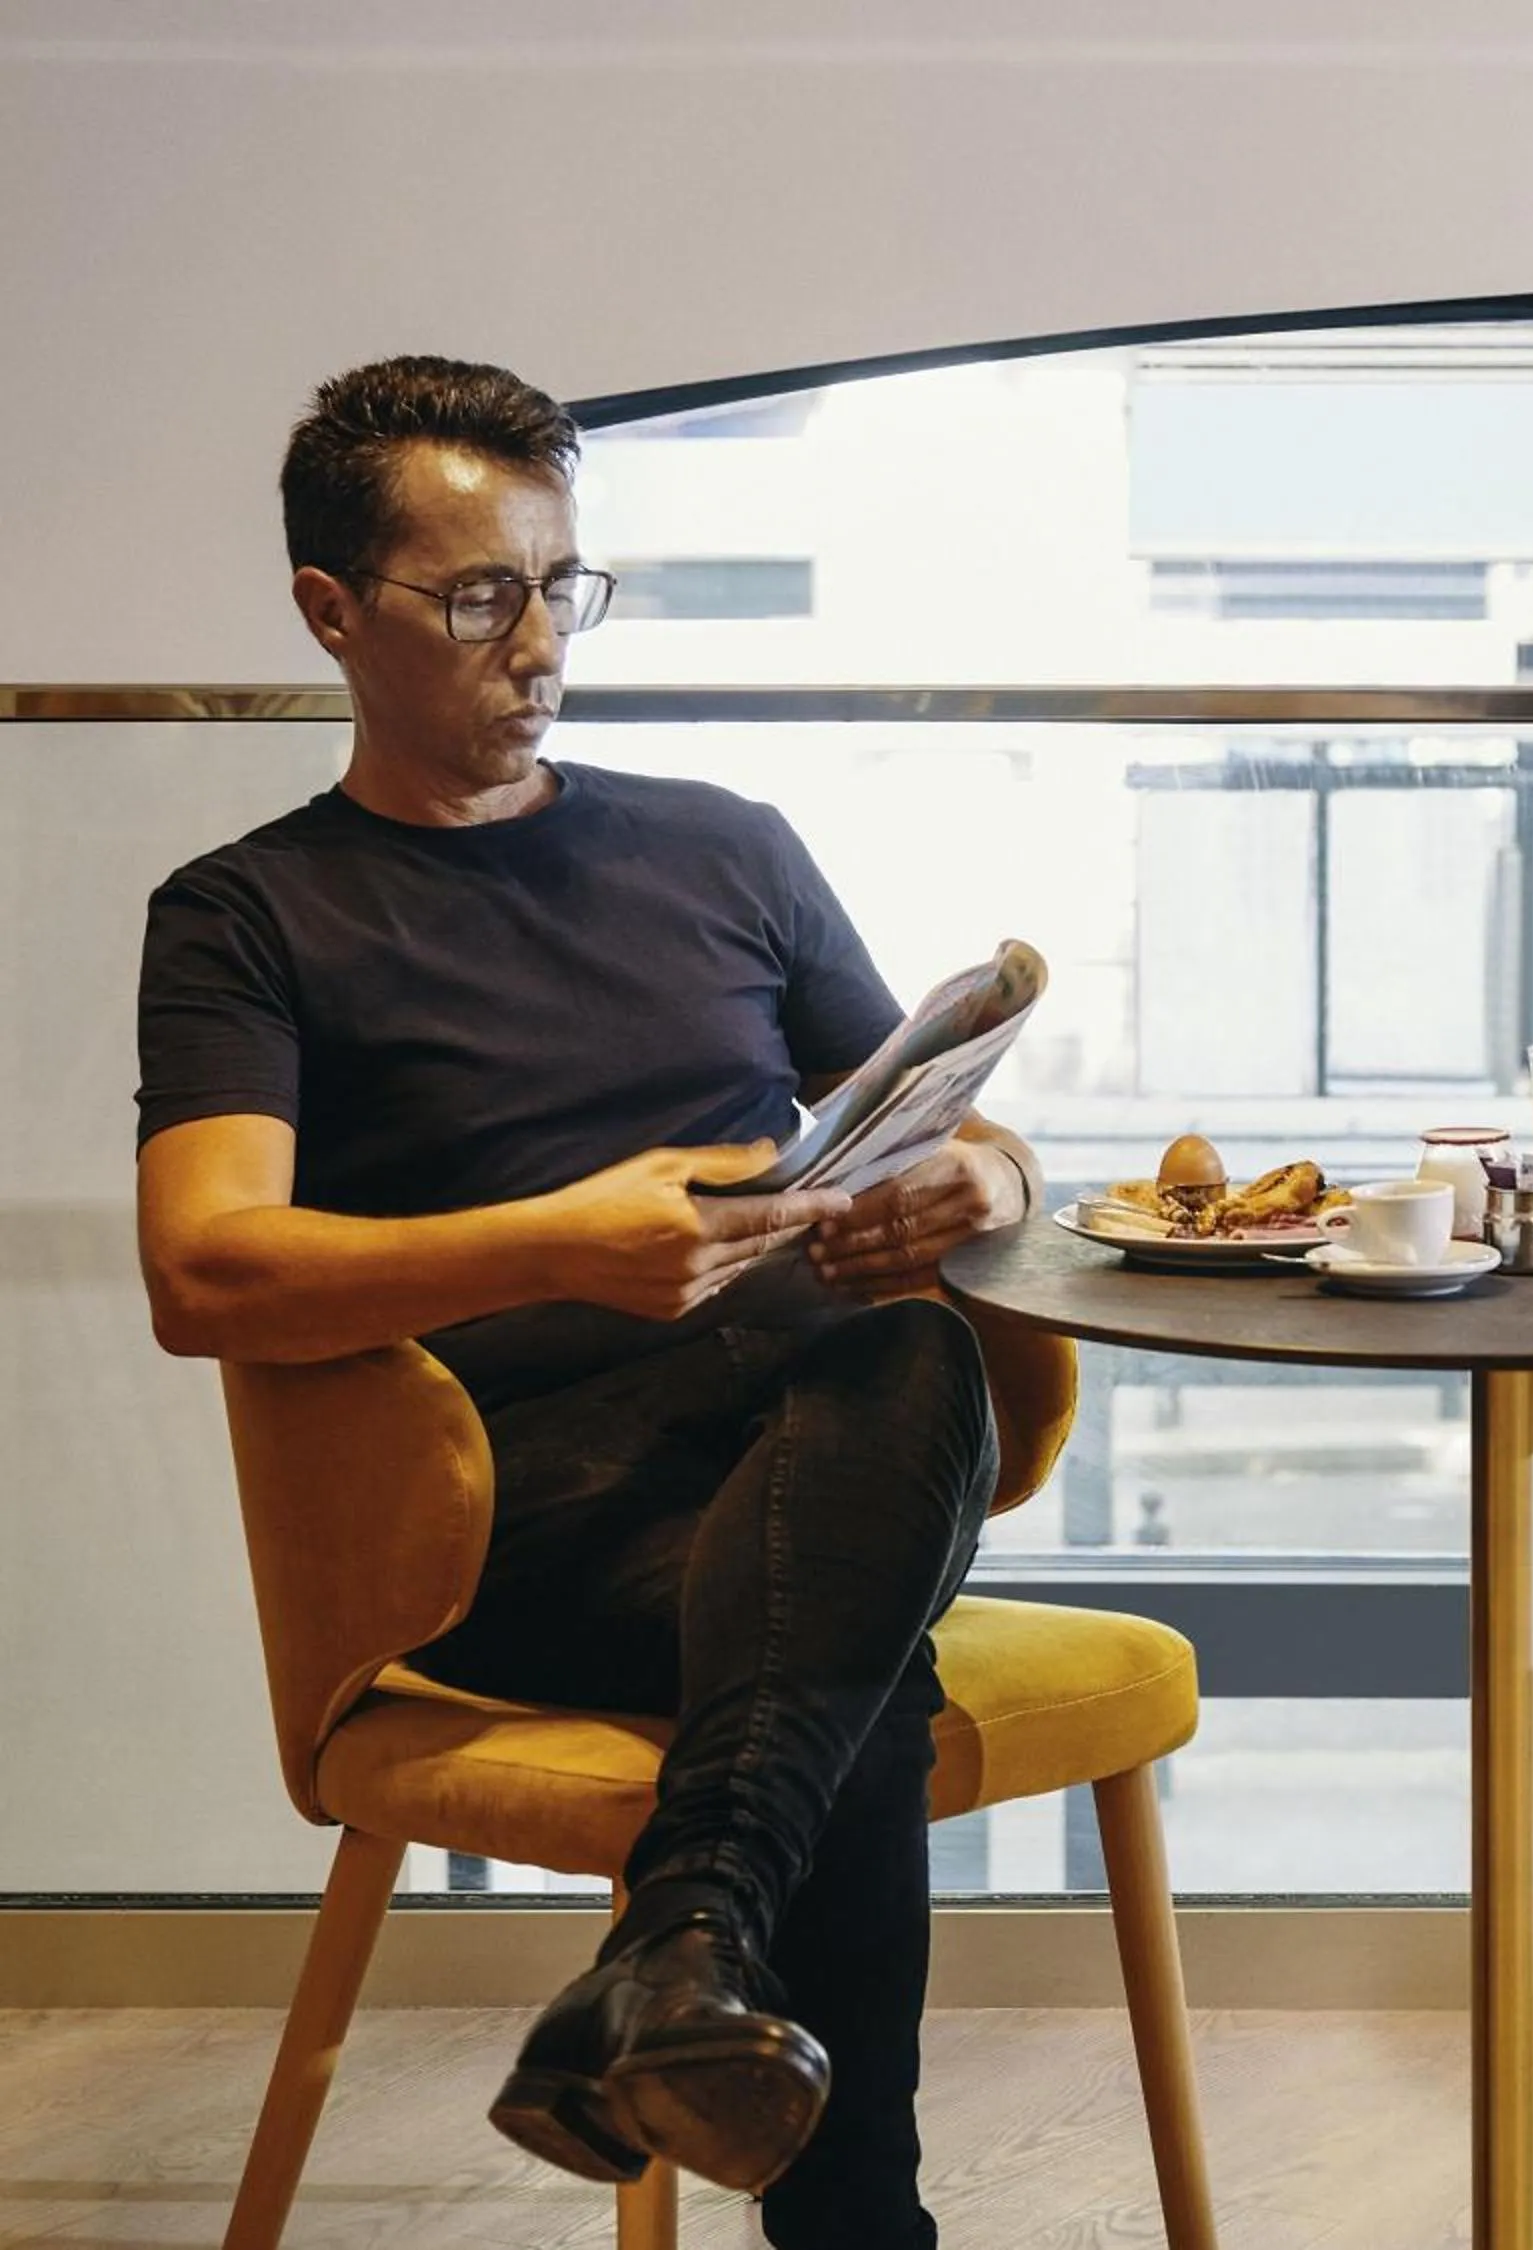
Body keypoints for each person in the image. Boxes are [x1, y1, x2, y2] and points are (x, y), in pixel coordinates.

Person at [134, 355, 1038, 2250]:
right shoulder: (248, 913)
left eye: (565, 583)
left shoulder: (725, 846)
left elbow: (936, 1120)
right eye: (479, 595)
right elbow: (204, 1264)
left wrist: (983, 1181)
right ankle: (827, 2173)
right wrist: (559, 1240)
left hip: (798, 1448)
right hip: (502, 1514)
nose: (538, 638)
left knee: (898, 1346)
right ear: (330, 611)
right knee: (857, 1658)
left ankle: (681, 1948)